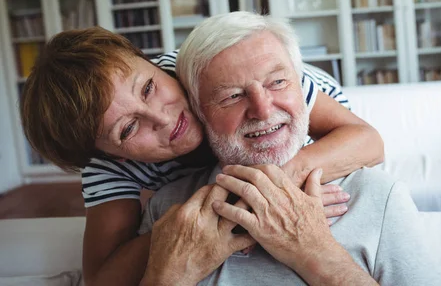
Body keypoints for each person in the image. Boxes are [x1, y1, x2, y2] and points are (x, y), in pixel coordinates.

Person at [19, 26, 384, 286]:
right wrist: (187, 226)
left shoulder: (211, 72)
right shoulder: (105, 168)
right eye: (128, 130)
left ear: (148, 61)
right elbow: (102, 278)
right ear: (106, 155)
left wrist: (277, 181)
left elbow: (368, 141)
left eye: (148, 87)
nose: (164, 118)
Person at [138, 11, 441, 285]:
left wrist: (316, 254)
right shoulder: (168, 211)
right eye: (232, 96)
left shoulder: (378, 197)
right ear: (199, 112)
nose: (263, 109)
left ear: (303, 89)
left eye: (278, 82)